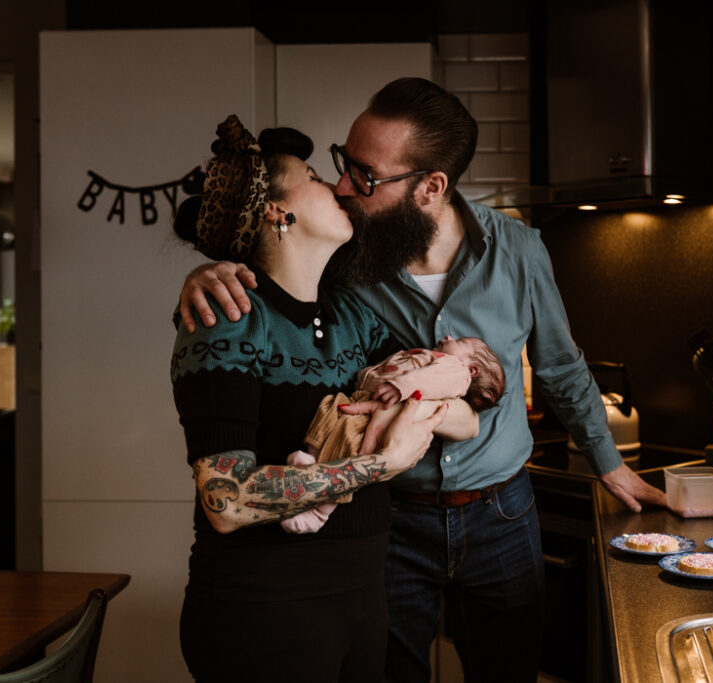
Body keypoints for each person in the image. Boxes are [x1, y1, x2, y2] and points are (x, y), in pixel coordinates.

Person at [178, 79, 667, 681]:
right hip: (390, 523)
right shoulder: (348, 257)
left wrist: (608, 463)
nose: (342, 187)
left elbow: (560, 366)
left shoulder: (518, 251)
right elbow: (271, 275)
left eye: (365, 176)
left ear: (430, 186)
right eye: (340, 166)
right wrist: (209, 273)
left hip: (500, 511)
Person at [169, 114, 481, 682]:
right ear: (275, 210)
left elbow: (465, 421)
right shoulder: (230, 318)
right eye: (314, 176)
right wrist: (381, 463)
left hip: (362, 599)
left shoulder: (351, 315)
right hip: (262, 612)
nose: (337, 186)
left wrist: (425, 403)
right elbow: (227, 501)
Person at [282, 334, 504, 534]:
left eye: (461, 342)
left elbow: (430, 382)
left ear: (472, 369)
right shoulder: (431, 356)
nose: (449, 336)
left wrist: (402, 387)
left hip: (380, 411)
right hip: (363, 398)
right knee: (329, 414)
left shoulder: (455, 369)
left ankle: (319, 513)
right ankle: (313, 462)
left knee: (349, 448)